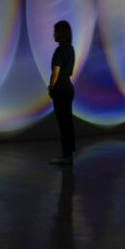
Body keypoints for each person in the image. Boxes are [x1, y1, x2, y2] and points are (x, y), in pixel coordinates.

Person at [48, 20, 75, 165]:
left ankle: (66, 155)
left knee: (63, 123)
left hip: (61, 87)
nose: (54, 34)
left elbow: (55, 72)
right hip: (68, 87)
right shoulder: (70, 49)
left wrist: (51, 87)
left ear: (61, 32)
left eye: (55, 31)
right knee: (68, 122)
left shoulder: (60, 50)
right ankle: (69, 153)